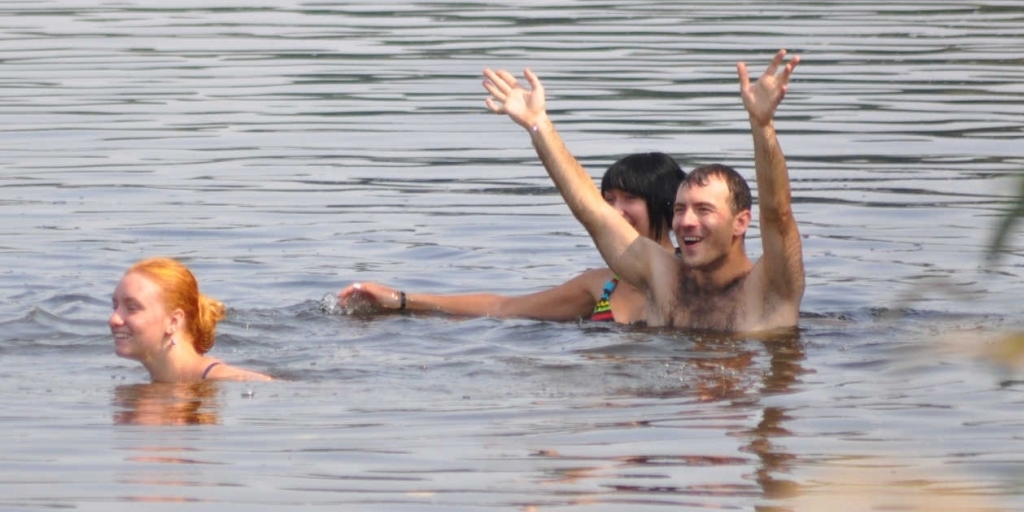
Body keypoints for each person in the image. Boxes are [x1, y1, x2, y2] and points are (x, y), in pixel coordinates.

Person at [482, 51, 805, 334]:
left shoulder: (771, 287)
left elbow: (777, 214)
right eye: (679, 209)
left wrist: (762, 126)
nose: (686, 222)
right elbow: (592, 211)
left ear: (741, 222)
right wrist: (538, 124)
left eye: (703, 210)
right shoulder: (663, 281)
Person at [336, 152, 684, 323]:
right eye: (607, 200)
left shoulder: (696, 280)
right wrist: (400, 300)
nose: (614, 212)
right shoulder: (601, 285)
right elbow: (505, 308)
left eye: (629, 199)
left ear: (666, 206)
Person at [109, 257, 272, 382]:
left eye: (132, 308)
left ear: (173, 321)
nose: (114, 319)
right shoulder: (154, 383)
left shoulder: (227, 381)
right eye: (115, 306)